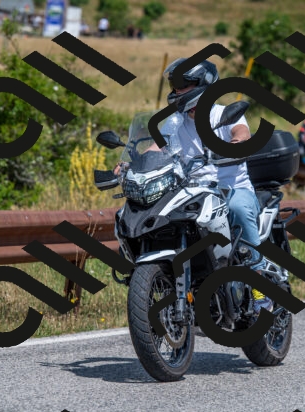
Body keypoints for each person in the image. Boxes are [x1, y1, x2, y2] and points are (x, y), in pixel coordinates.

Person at [114, 58, 273, 313]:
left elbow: (241, 134)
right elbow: (158, 147)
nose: (177, 90)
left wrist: (234, 146)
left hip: (230, 189)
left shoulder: (223, 114)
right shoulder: (175, 121)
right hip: (192, 191)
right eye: (175, 85)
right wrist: (133, 165)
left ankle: (259, 284)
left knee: (238, 209)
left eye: (183, 84)